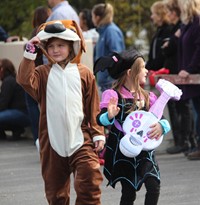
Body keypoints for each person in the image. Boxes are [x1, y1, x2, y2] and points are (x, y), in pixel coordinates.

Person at [17, 20, 105, 204]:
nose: (56, 50)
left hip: (80, 137)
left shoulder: (85, 73)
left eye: (61, 45)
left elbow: (93, 106)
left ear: (71, 46)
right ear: (45, 50)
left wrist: (98, 133)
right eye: (51, 46)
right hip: (52, 141)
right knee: (56, 192)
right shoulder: (41, 73)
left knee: (90, 177)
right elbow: (24, 80)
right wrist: (30, 52)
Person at [94, 47, 171, 205]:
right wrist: (109, 115)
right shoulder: (114, 95)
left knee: (153, 185)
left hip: (145, 150)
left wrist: (162, 126)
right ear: (130, 72)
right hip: (124, 150)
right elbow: (100, 120)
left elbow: (162, 118)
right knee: (129, 192)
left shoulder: (148, 96)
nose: (146, 70)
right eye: (142, 67)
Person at [25, 6, 51, 150]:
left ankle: (38, 138)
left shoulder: (33, 35)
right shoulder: (47, 34)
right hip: (47, 74)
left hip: (34, 75)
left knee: (33, 107)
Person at [177, 0, 200, 160]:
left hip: (195, 76)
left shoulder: (197, 23)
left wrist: (190, 68)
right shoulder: (188, 24)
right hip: (191, 77)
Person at [92, 3, 125, 93]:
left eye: (93, 16)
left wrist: (109, 76)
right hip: (105, 83)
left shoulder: (111, 31)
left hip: (111, 83)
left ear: (97, 17)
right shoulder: (103, 32)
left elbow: (117, 56)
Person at [0, 58, 30, 140]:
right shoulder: (13, 79)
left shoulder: (8, 81)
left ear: (2, 69)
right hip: (22, 113)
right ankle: (16, 129)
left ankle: (15, 128)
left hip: (21, 113)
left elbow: (3, 104)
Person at [146, 1, 172, 71]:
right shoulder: (158, 32)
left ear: (160, 15)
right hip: (154, 72)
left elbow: (162, 56)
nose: (151, 17)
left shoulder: (168, 31)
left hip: (163, 73)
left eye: (153, 14)